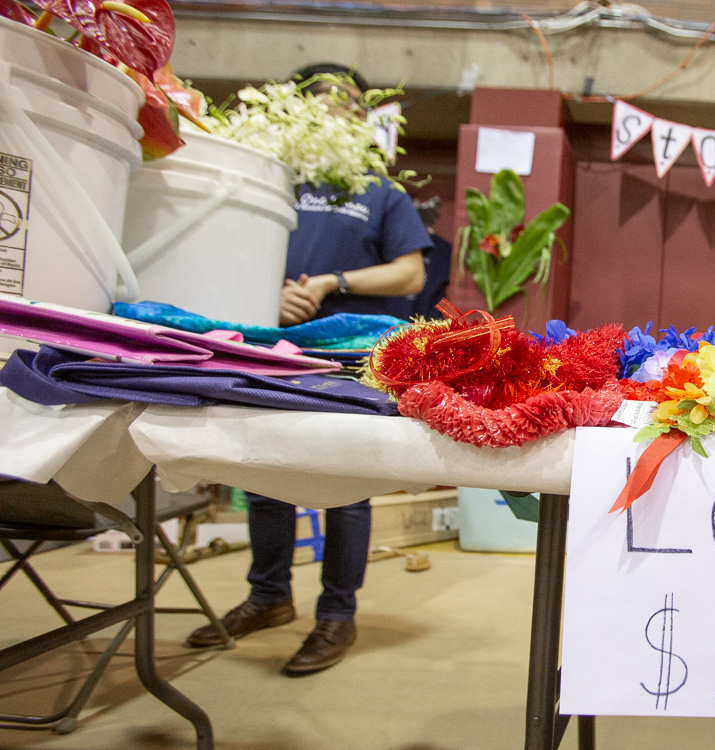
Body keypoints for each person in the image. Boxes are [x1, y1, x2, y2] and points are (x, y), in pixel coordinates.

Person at [186, 64, 430, 677]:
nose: (337, 110)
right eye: (323, 100)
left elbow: (411, 274)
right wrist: (268, 295)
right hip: (268, 343)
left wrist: (331, 283)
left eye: (349, 102)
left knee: (345, 484)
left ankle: (336, 615)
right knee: (264, 473)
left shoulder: (381, 192)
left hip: (349, 352)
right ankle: (269, 597)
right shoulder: (269, 180)